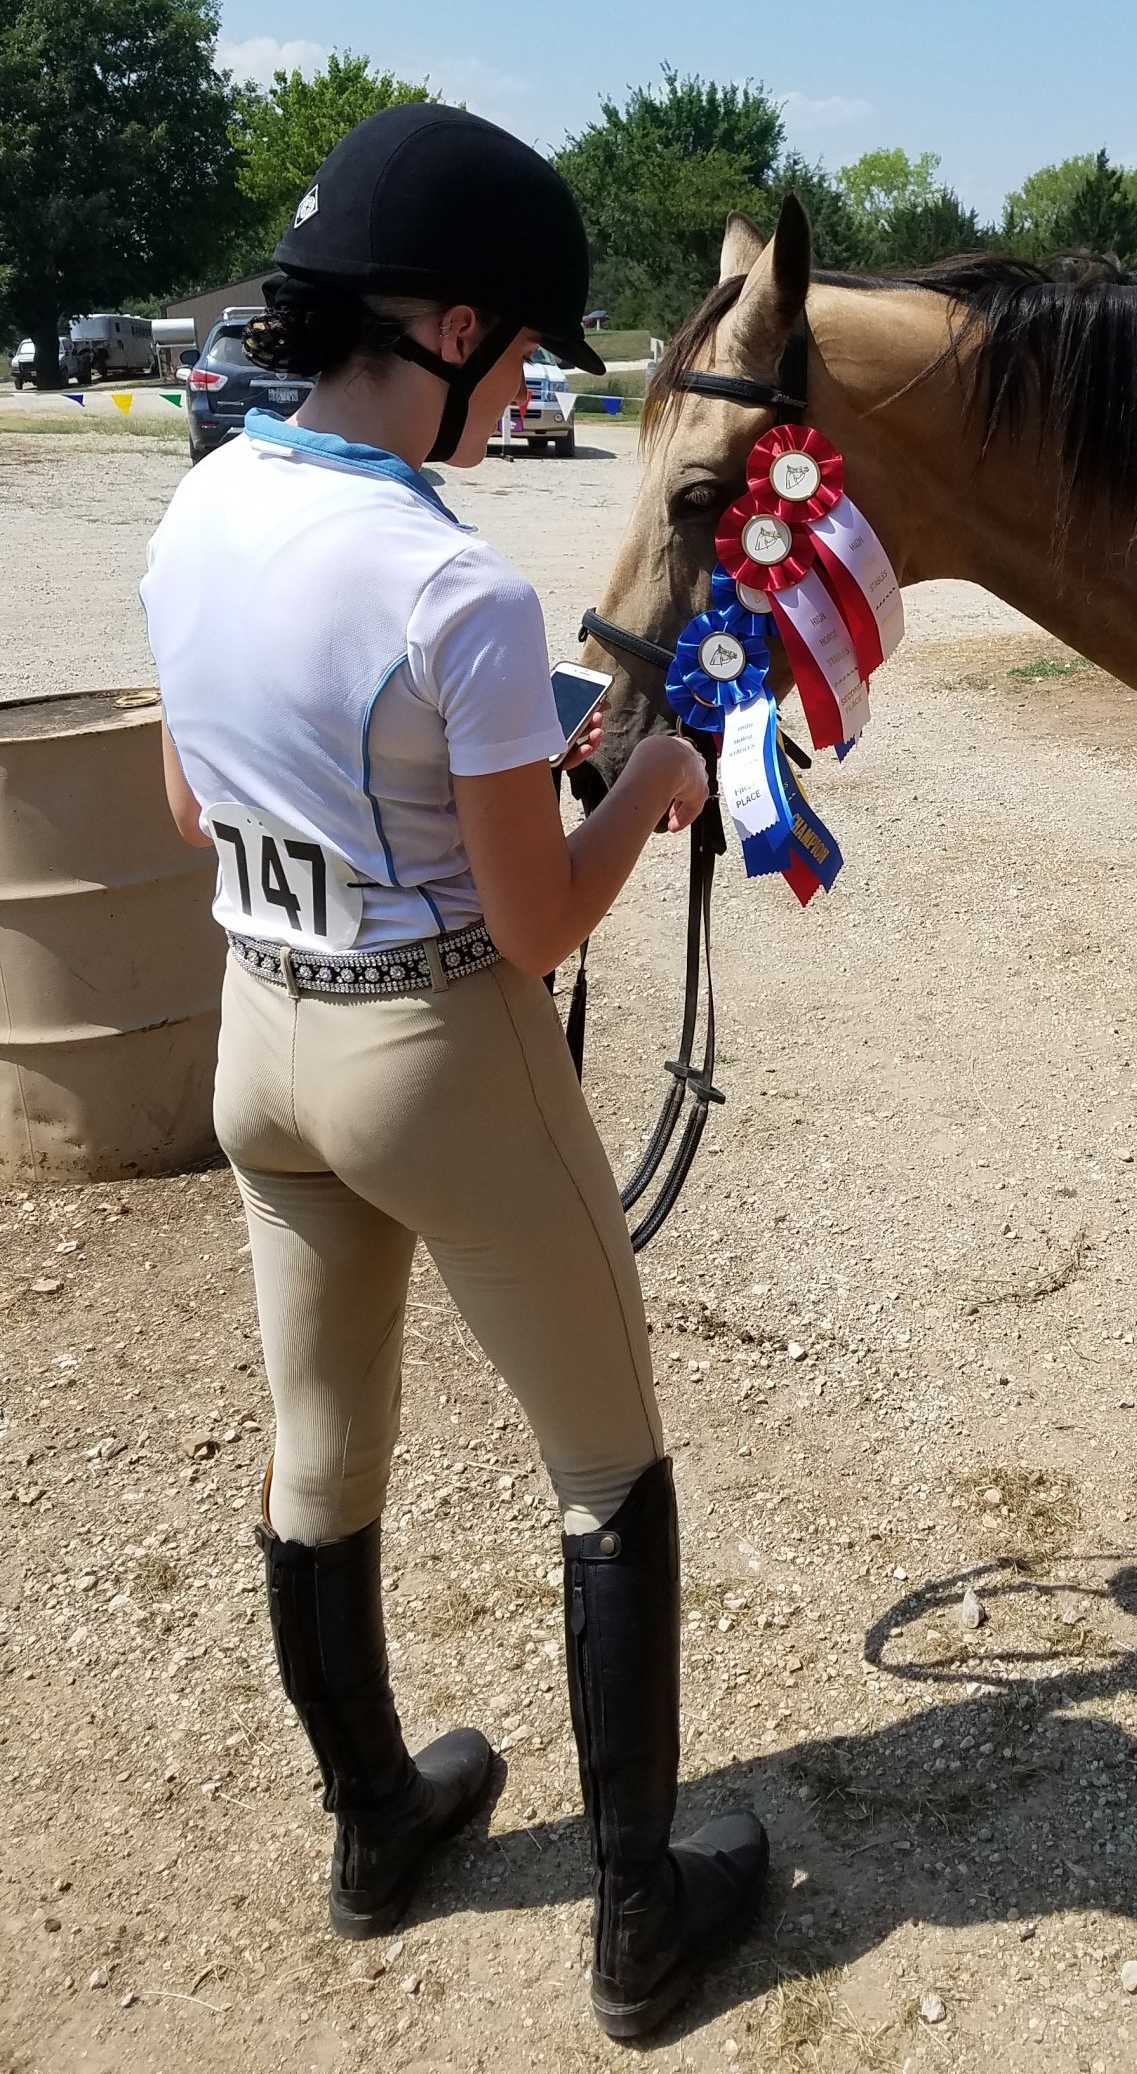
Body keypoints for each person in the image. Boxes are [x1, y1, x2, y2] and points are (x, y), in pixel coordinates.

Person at [140, 104, 766, 2044]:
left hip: (265, 1036)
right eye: (520, 362)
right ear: (450, 327)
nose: (521, 399)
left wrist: (423, 798)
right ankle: (639, 1917)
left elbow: (188, 797)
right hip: (434, 1055)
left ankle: (375, 1824)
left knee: (324, 1454)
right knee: (609, 1470)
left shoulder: (206, 499)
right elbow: (534, 925)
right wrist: (651, 778)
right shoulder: (458, 587)